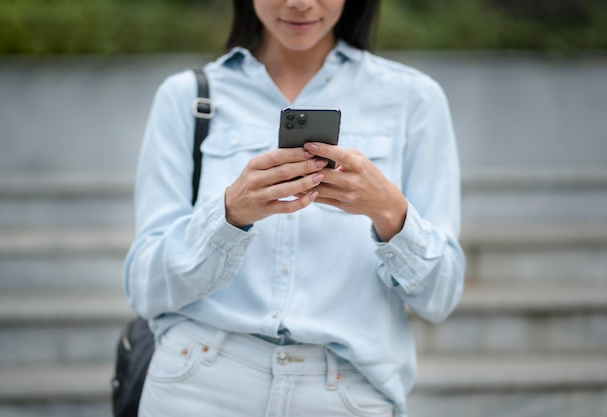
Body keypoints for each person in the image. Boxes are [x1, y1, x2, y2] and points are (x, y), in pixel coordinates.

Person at [123, 0, 465, 416]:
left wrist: (390, 211)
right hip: (200, 381)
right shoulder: (188, 97)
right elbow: (145, 286)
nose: (300, 3)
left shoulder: (413, 98)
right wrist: (229, 214)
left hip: (346, 391)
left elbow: (441, 296)